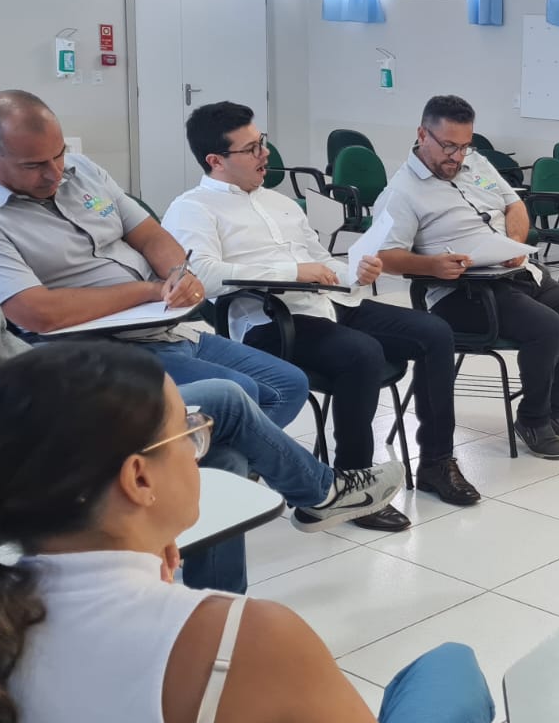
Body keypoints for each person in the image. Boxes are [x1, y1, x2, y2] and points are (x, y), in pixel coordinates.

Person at [0, 342, 496, 723]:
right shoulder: (244, 641)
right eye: (187, 431)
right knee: (448, 671)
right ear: (139, 478)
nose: (200, 447)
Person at [0, 276, 399, 593]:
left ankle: (215, 610)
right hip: (31, 435)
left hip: (72, 389)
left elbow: (11, 350)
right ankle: (321, 493)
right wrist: (90, 399)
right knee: (226, 398)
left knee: (225, 457)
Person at [166, 103, 480, 532]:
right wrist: (293, 272)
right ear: (215, 160)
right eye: (252, 148)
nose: (265, 154)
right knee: (361, 353)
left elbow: (319, 260)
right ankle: (352, 484)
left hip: (329, 305)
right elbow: (202, 275)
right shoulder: (193, 208)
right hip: (270, 322)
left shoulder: (280, 203)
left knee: (435, 332)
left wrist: (355, 272)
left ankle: (436, 462)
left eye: (263, 143)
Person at [0, 90, 307, 424]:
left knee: (289, 385)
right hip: (92, 347)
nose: (55, 173)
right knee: (238, 396)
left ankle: (195, 452)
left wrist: (178, 274)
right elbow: (38, 314)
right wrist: (149, 291)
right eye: (34, 165)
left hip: (162, 328)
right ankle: (189, 452)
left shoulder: (81, 169)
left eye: (59, 155)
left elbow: (150, 234)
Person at [372, 95, 559, 462]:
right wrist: (432, 265)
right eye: (448, 146)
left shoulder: (477, 162)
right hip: (461, 293)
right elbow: (385, 257)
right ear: (422, 135)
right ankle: (532, 420)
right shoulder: (400, 193)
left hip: (515, 273)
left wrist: (513, 242)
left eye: (463, 146)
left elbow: (515, 205)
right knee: (546, 327)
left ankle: (549, 410)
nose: (456, 156)